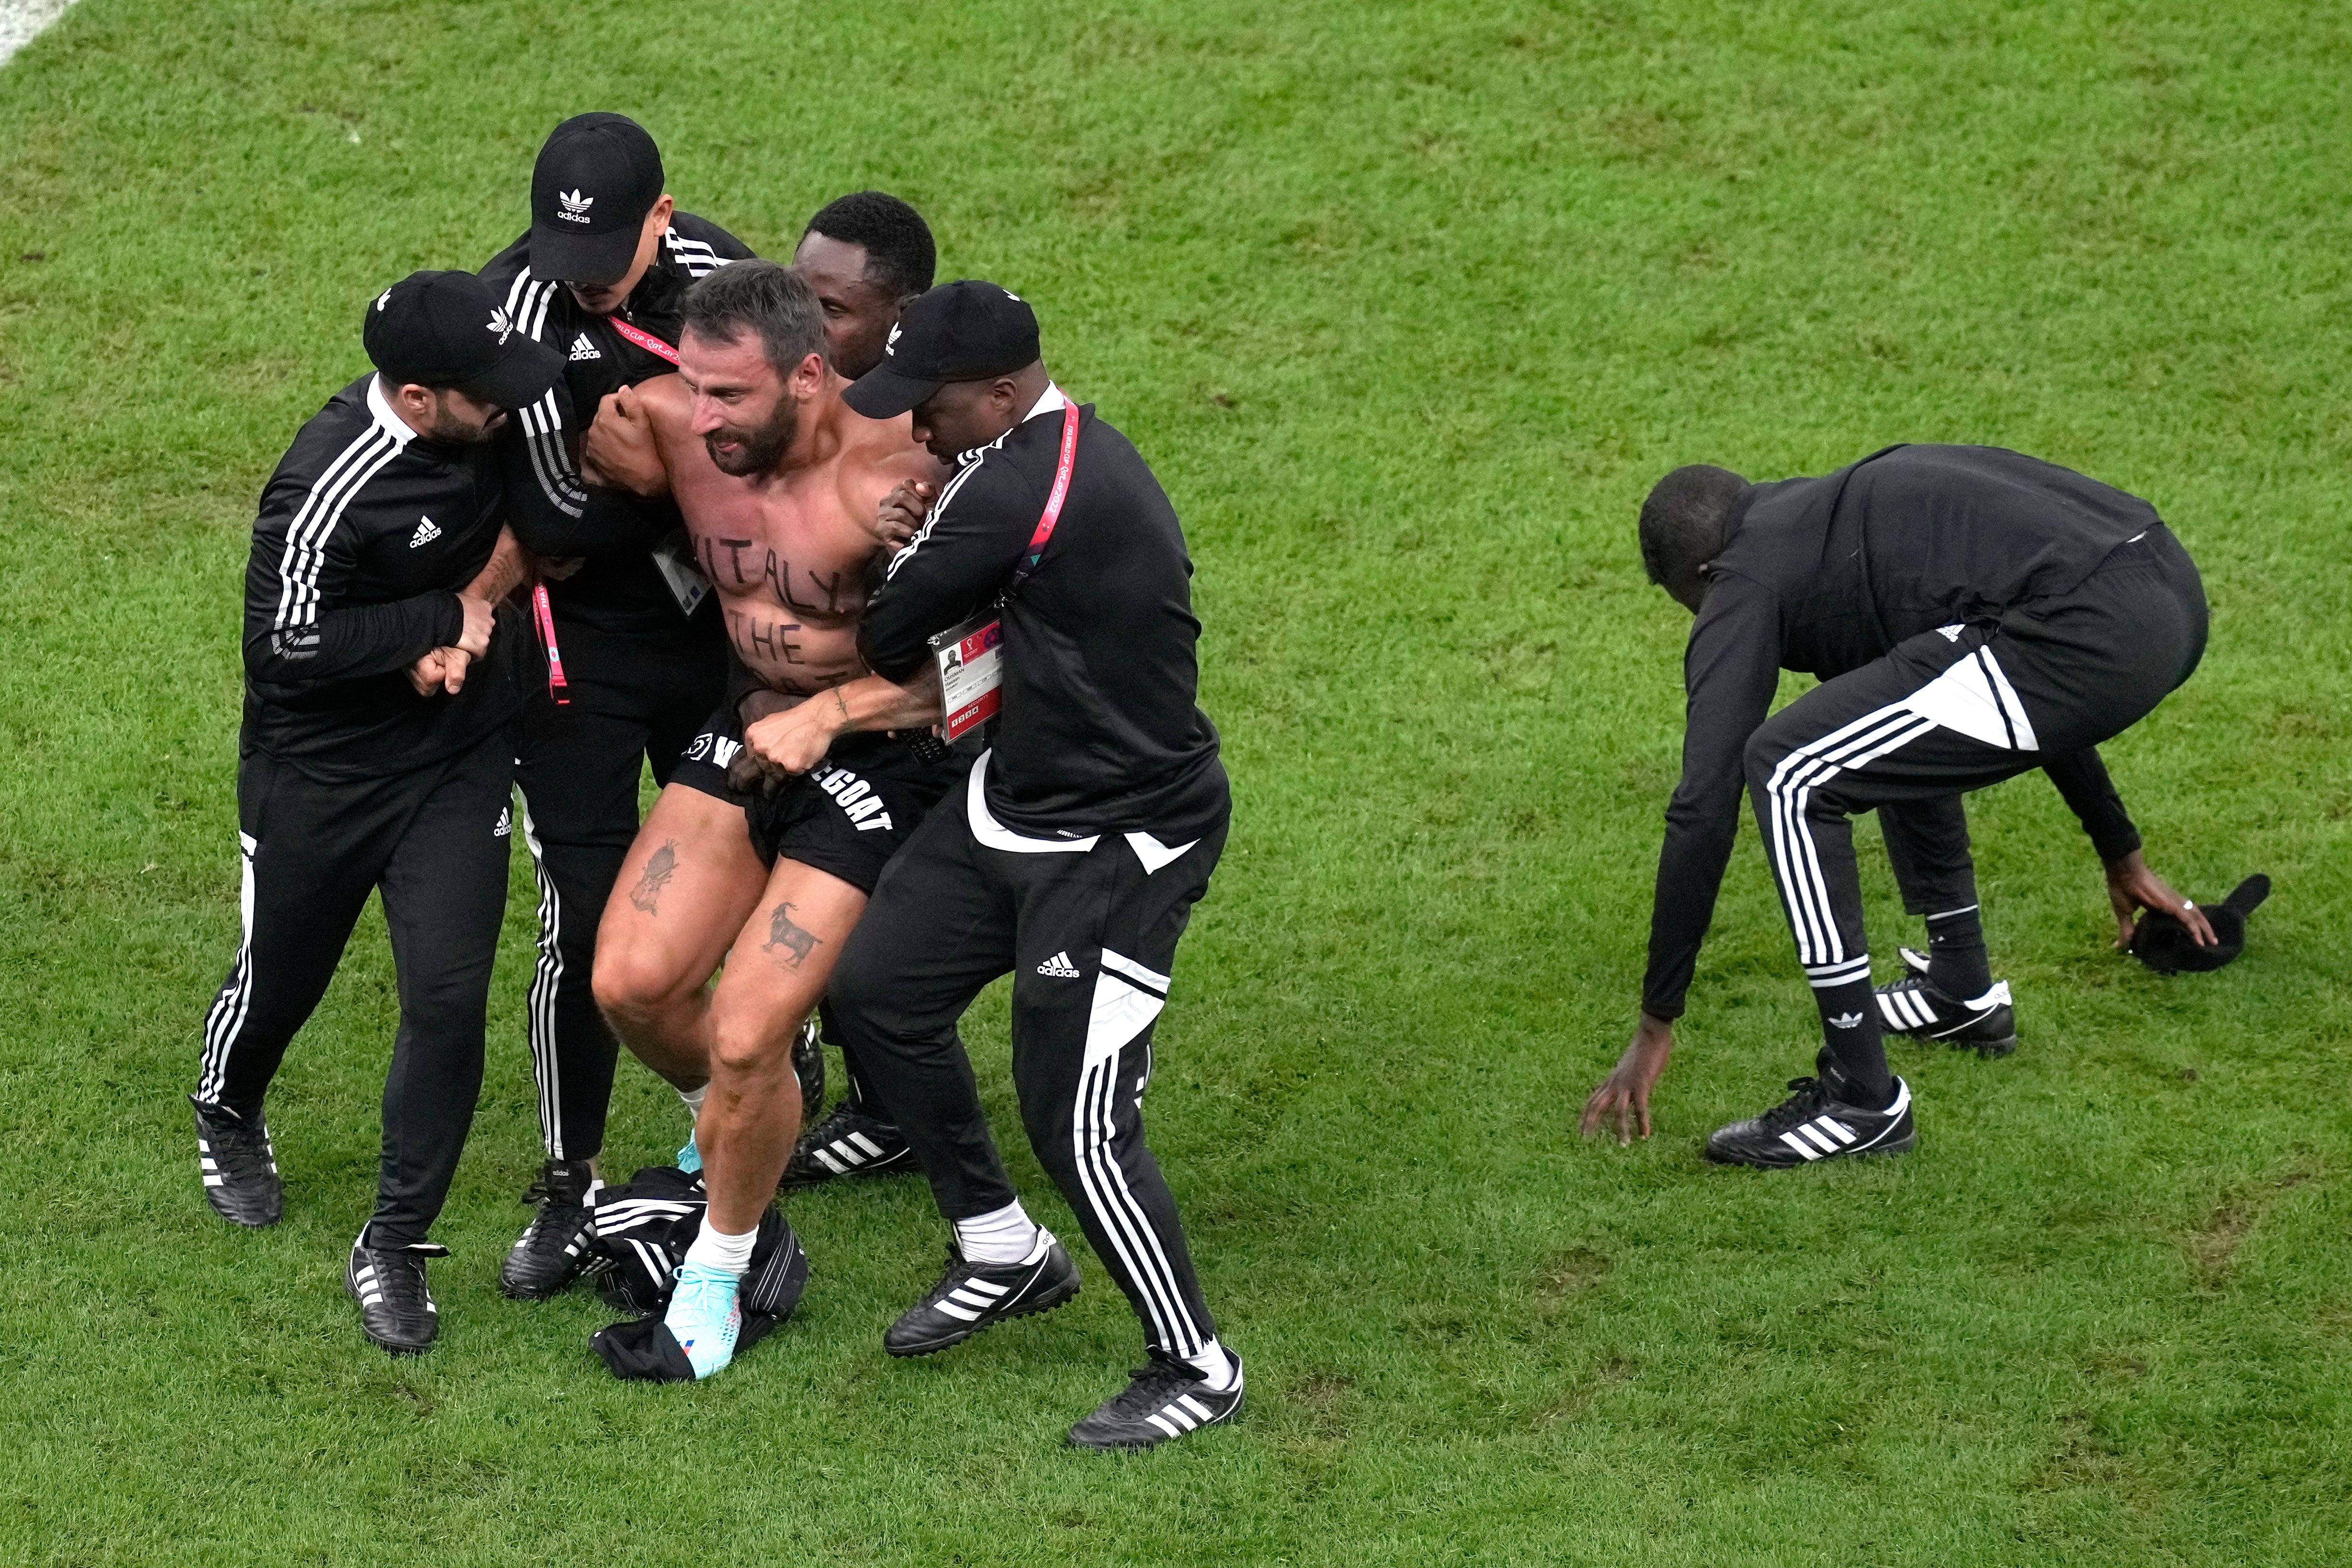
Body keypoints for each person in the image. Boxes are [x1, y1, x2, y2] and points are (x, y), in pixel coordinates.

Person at [824, 280, 1245, 1450]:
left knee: (1080, 1126)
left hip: (1119, 842)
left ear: (1002, 393)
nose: (914, 428)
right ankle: (1004, 1246)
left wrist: (906, 545)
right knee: (878, 994)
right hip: (1011, 801)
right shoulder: (1032, 454)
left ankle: (1196, 1365)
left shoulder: (1010, 486)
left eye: (933, 407)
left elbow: (883, 633)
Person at [1580, 445, 2214, 1167]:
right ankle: (1959, 989)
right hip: (2165, 588)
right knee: (1888, 704)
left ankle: (1860, 1099)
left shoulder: (1742, 577)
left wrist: (1655, 1021)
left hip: (2093, 626)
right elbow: (2005, 670)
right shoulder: (1834, 519)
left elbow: (1701, 803)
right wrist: (2120, 850)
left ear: (1700, 575)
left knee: (1788, 768)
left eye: (1692, 606)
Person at [580, 260, 957, 1378]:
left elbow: (983, 674)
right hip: (748, 722)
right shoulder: (668, 423)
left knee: (747, 1029)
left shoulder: (904, 479)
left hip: (884, 752)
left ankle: (717, 1278)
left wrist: (835, 710)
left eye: (730, 396)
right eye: (693, 388)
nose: (704, 419)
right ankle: (739, 1121)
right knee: (632, 985)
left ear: (806, 374)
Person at [191, 270, 562, 1354]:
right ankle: (228, 1104)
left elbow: (537, 528)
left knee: (448, 996)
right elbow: (283, 648)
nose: (510, 402)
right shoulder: (324, 481)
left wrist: (476, 614)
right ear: (415, 394)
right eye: (482, 390)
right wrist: (430, 622)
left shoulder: (503, 412)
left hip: (457, 759)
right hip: (320, 771)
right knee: (284, 971)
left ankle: (395, 1241)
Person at [474, 112, 755, 1300]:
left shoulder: (730, 288)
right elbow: (551, 523)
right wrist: (686, 482)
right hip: (572, 655)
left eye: (611, 263)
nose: (584, 290)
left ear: (664, 215)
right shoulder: (514, 308)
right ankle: (568, 1174)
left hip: (719, 644)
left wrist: (658, 471)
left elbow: (783, 465)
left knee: (775, 867)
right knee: (581, 921)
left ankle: (807, 1094)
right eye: (564, 259)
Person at [776, 190, 943, 1189]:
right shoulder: (795, 384)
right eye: (800, 295)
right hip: (823, 703)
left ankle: (897, 1114)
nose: (809, 324)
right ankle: (878, 1102)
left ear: (902, 317)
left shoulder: (945, 425)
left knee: (877, 931)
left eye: (832, 309)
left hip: (931, 726)